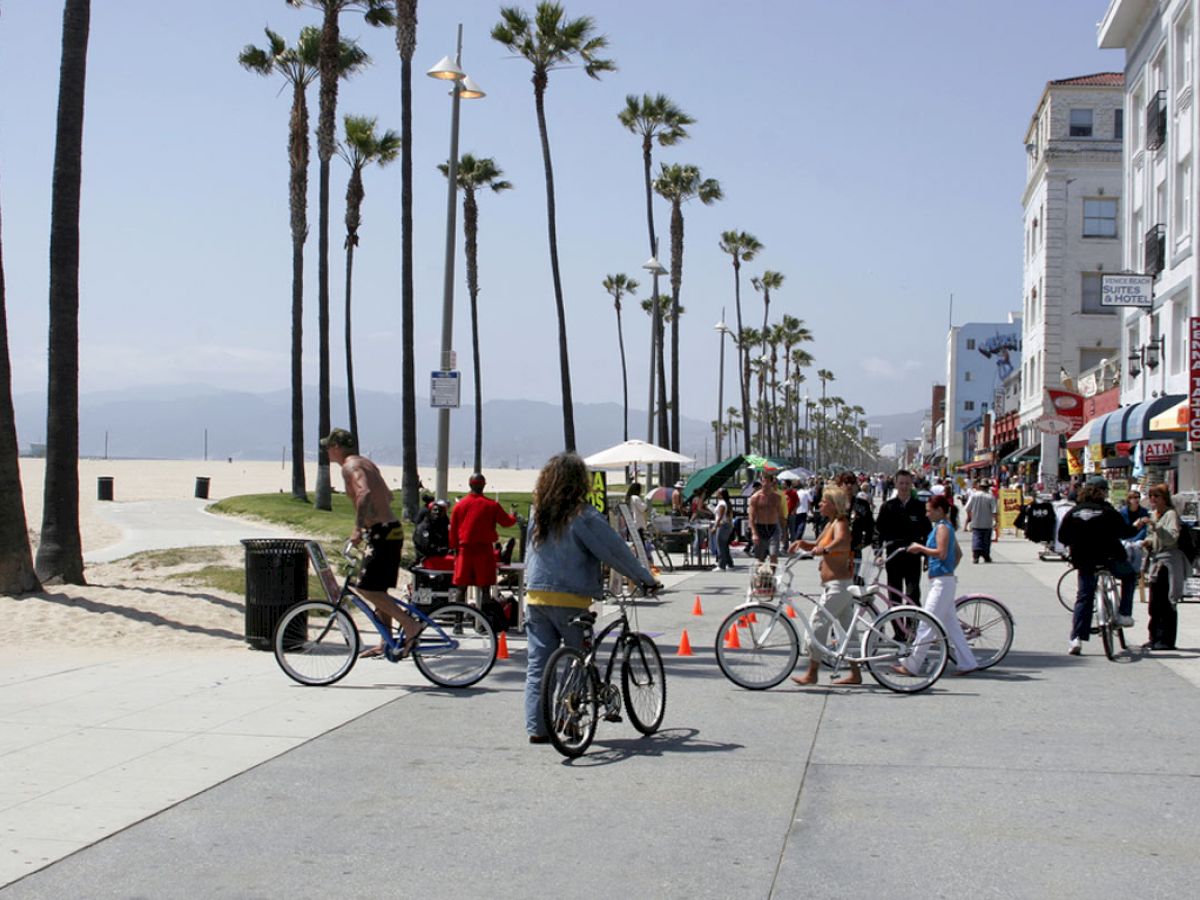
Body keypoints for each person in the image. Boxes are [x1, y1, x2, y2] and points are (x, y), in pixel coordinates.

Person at [523, 453, 658, 745]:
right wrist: (644, 579)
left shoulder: (538, 512)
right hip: (571, 598)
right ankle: (570, 722)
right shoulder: (583, 516)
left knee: (538, 664)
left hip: (535, 597)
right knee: (579, 661)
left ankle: (537, 727)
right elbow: (614, 551)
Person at [321, 428, 419, 659]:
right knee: (378, 590)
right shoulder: (366, 463)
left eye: (328, 447)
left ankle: (409, 624)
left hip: (381, 532)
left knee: (365, 588)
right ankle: (386, 642)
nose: (326, 451)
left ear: (336, 447)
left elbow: (363, 493)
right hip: (390, 529)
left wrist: (358, 527)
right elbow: (388, 496)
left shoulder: (350, 467)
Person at [1057, 477, 1142, 656]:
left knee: (1084, 597)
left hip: (1084, 560)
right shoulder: (1107, 511)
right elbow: (1124, 532)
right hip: (1109, 558)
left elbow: (1063, 537)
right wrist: (1136, 526)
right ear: (1102, 492)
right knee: (1129, 575)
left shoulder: (1074, 512)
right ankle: (1123, 614)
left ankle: (1076, 638)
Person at [898, 493, 979, 676]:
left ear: (939, 511)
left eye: (929, 511)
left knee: (926, 623)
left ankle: (912, 664)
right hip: (945, 580)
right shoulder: (945, 526)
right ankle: (967, 662)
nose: (927, 514)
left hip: (942, 582)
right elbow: (957, 554)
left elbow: (941, 553)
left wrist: (920, 549)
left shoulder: (942, 527)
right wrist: (948, 570)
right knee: (952, 626)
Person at [788, 486, 859, 686]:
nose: (819, 504)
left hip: (839, 585)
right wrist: (802, 543)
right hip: (835, 585)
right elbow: (816, 546)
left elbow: (843, 543)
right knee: (848, 631)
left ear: (833, 505)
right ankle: (856, 673)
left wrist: (824, 550)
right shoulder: (831, 524)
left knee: (817, 625)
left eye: (823, 502)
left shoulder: (841, 523)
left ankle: (812, 673)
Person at [449, 472, 517, 608]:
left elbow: (453, 531)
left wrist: (454, 549)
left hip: (464, 551)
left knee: (461, 588)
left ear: (469, 485)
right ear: (483, 486)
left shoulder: (459, 506)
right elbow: (506, 522)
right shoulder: (491, 505)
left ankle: (458, 623)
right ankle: (484, 621)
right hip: (484, 551)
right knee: (485, 588)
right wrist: (513, 516)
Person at [874, 469, 930, 605]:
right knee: (894, 597)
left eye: (907, 483)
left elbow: (928, 532)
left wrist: (928, 555)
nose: (904, 487)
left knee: (913, 595)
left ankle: (912, 625)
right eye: (901, 483)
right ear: (896, 484)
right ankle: (898, 626)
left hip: (913, 556)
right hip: (893, 556)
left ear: (911, 484)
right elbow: (877, 533)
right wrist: (878, 554)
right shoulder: (888, 507)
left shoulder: (919, 507)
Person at [1141, 483, 1185, 651]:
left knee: (1166, 602)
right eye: (1151, 496)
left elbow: (1171, 538)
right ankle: (1154, 637)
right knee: (1154, 603)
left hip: (1168, 562)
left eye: (1156, 496)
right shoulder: (1154, 514)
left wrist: (1155, 526)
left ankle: (1166, 640)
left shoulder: (1170, 514)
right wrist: (1147, 542)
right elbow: (1153, 538)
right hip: (1156, 561)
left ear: (1164, 498)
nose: (1153, 499)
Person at [747, 470, 784, 566]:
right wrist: (754, 533)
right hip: (760, 528)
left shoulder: (777, 497)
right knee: (760, 558)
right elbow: (751, 516)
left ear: (772, 482)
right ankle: (760, 578)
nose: (765, 483)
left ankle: (771, 577)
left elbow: (780, 515)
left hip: (773, 528)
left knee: (773, 555)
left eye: (767, 481)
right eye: (763, 481)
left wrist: (784, 532)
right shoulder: (755, 497)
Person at [964, 479, 997, 563]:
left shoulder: (974, 496)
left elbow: (967, 508)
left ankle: (976, 556)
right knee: (986, 540)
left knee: (976, 538)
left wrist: (971, 518)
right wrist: (995, 521)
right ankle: (986, 556)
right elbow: (994, 510)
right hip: (987, 522)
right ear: (987, 488)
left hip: (976, 521)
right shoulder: (990, 497)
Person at [1119, 489, 1148, 572]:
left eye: (1138, 497)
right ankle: (1127, 570)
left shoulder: (1143, 512)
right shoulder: (1122, 513)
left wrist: (1135, 540)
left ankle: (1135, 571)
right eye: (1134, 497)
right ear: (1129, 499)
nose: (1136, 499)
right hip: (1125, 538)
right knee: (1127, 547)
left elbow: (1144, 529)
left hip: (1139, 538)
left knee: (1137, 547)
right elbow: (1122, 529)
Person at [710, 487, 735, 571]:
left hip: (722, 526)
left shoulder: (722, 504)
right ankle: (729, 563)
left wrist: (714, 527)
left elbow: (720, 517)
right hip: (727, 525)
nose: (716, 494)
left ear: (721, 494)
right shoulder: (726, 503)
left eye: (718, 492)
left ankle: (721, 565)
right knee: (725, 545)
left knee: (720, 545)